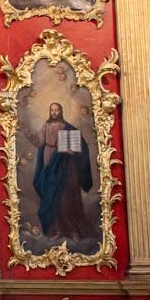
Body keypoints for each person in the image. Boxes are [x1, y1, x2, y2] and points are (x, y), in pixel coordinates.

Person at [30, 102, 92, 241]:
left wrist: (73, 151)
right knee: (52, 197)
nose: (54, 112)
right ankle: (57, 229)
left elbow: (79, 144)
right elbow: (39, 141)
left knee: (67, 195)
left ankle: (73, 230)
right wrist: (30, 135)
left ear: (61, 111)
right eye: (52, 110)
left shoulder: (68, 128)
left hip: (66, 164)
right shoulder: (46, 126)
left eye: (57, 110)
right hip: (49, 161)